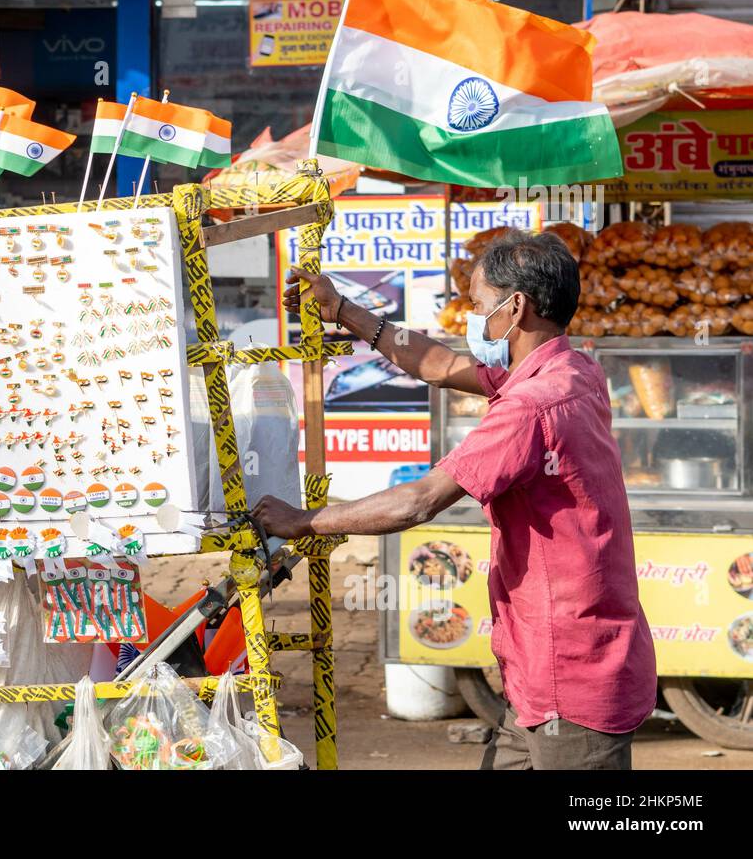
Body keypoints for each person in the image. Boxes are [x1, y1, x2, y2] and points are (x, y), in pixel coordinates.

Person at [253, 230, 656, 770]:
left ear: (517, 307)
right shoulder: (575, 370)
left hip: (571, 674)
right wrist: (343, 310)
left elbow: (418, 502)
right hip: (539, 672)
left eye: (479, 306)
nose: (473, 319)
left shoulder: (533, 404)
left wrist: (304, 521)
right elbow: (438, 366)